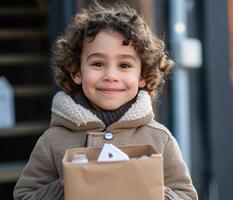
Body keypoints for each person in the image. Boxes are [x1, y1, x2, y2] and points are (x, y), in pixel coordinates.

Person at [13, 2, 198, 200]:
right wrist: (62, 190)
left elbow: (186, 195)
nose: (111, 75)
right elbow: (24, 195)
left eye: (124, 65)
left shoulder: (160, 139)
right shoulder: (53, 141)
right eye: (98, 64)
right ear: (76, 71)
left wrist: (160, 194)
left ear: (142, 76)